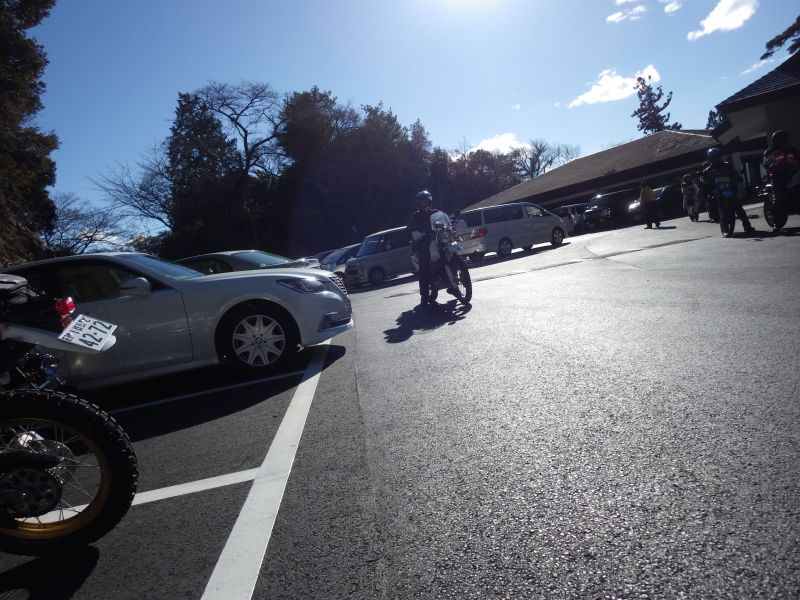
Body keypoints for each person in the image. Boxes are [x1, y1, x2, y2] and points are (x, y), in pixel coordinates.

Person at [701, 147, 754, 235]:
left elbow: (735, 173)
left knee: (738, 207)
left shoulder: (727, 165)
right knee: (714, 203)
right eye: (713, 157)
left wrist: (738, 178)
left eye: (716, 157)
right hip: (717, 192)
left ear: (719, 157)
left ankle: (747, 226)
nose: (715, 159)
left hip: (729, 190)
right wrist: (704, 183)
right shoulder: (707, 171)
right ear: (710, 158)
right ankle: (717, 221)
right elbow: (704, 182)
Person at [762, 130, 799, 232]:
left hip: (793, 175)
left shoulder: (792, 150)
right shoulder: (770, 151)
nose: (785, 141)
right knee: (779, 198)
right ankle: (777, 223)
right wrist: (774, 168)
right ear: (776, 140)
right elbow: (766, 163)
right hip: (778, 177)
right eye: (783, 139)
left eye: (786, 139)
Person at [408, 190, 438, 306]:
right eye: (422, 201)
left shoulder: (435, 212)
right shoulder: (415, 216)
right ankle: (424, 296)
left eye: (426, 200)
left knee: (450, 248)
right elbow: (410, 229)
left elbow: (444, 220)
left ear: (430, 200)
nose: (425, 202)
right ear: (418, 203)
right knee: (424, 267)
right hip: (424, 243)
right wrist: (418, 232)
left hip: (438, 239)